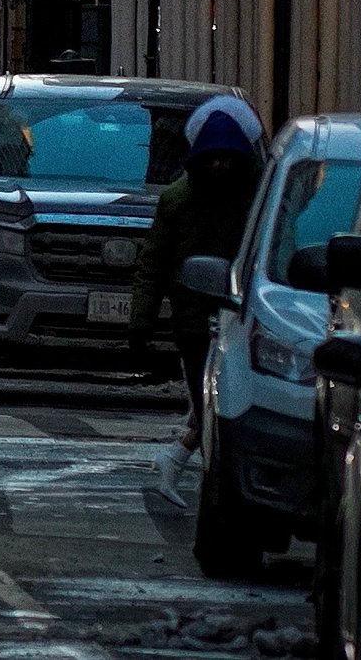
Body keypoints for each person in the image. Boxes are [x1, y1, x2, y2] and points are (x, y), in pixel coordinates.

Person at [130, 94, 264, 503]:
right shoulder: (177, 201)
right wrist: (141, 322)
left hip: (245, 319)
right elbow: (152, 264)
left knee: (225, 406)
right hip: (195, 325)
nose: (221, 166)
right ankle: (213, 485)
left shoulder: (258, 199)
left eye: (229, 158)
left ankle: (185, 463)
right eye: (214, 157)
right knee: (211, 406)